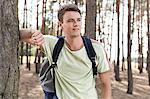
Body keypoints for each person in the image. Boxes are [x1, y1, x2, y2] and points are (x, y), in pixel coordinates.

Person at [20, 4, 112, 99]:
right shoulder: (53, 44)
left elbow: (106, 84)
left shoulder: (96, 49)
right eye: (70, 21)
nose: (76, 24)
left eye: (78, 20)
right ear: (61, 25)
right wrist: (32, 32)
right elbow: (19, 34)